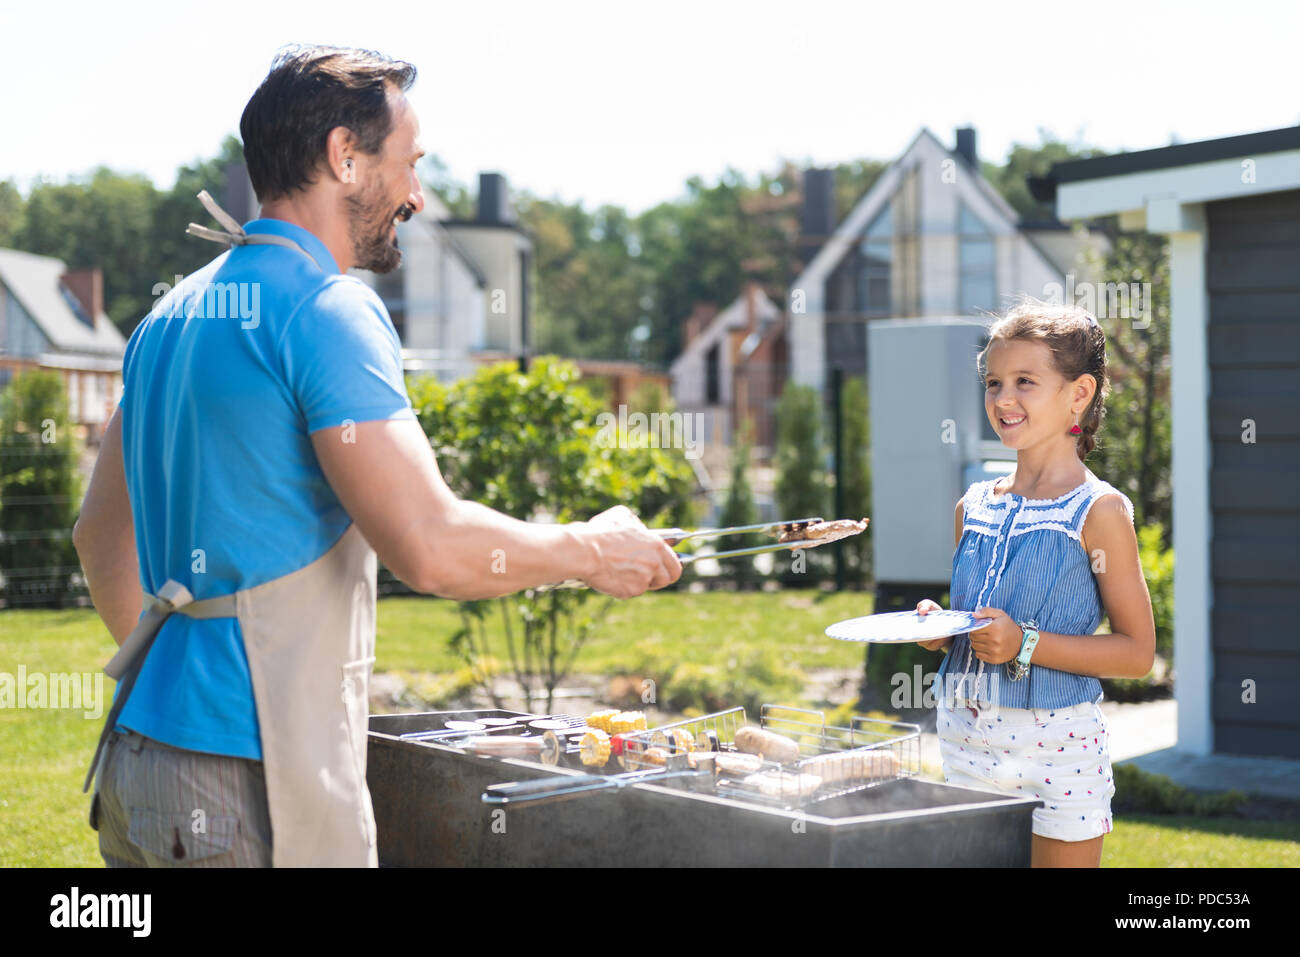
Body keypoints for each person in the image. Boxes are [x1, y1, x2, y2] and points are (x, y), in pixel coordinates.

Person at [71, 44, 681, 868]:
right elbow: (428, 545)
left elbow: (97, 539)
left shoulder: (169, 316)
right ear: (343, 157)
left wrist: (176, 692)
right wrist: (593, 549)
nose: (417, 195)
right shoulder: (328, 312)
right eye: (409, 163)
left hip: (138, 765)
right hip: (248, 782)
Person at [914, 298, 1156, 868]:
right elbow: (978, 626)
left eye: (1025, 381)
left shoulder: (1098, 511)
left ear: (1079, 393)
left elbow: (1137, 653)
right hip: (966, 740)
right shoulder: (972, 506)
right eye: (994, 382)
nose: (1003, 399)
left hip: (1059, 752)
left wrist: (1024, 642)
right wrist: (942, 628)